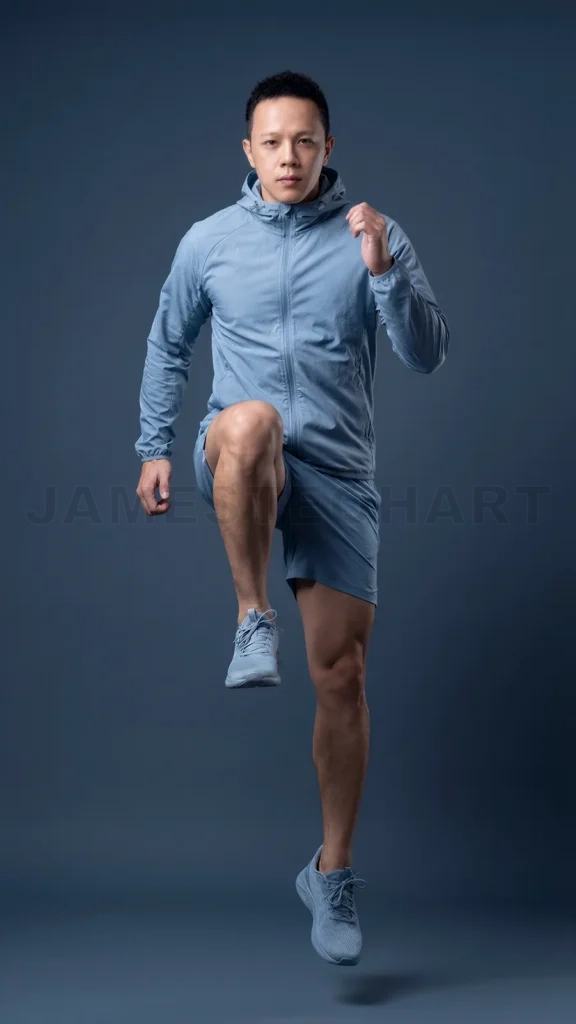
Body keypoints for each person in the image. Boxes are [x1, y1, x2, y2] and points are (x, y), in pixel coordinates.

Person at [135, 69, 450, 966]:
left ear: (327, 149)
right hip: (238, 455)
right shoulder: (209, 242)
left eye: (303, 141)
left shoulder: (371, 236)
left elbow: (426, 354)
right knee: (249, 420)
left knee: (342, 676)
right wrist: (154, 447)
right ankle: (250, 615)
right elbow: (169, 341)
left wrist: (383, 270)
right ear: (249, 151)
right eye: (271, 142)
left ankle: (333, 872)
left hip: (339, 474)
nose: (287, 156)